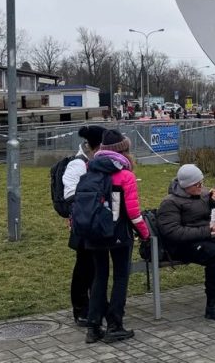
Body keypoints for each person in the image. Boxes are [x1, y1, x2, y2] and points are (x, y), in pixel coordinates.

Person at [157, 165, 215, 322]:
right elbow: (173, 233)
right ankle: (213, 305)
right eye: (197, 184)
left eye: (202, 182)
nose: (201, 187)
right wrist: (206, 231)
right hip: (183, 245)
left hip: (207, 236)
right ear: (186, 185)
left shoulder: (203, 194)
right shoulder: (170, 202)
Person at [84, 129, 150, 344]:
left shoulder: (90, 168)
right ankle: (115, 325)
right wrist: (145, 233)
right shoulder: (126, 175)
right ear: (125, 150)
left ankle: (93, 326)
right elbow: (132, 211)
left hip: (93, 231)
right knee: (121, 277)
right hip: (118, 233)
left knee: (99, 277)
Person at [61, 124, 106, 327]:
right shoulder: (78, 164)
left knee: (97, 266)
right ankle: (81, 308)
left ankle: (97, 304)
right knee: (84, 267)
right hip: (83, 222)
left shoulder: (95, 161)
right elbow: (70, 194)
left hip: (96, 221)